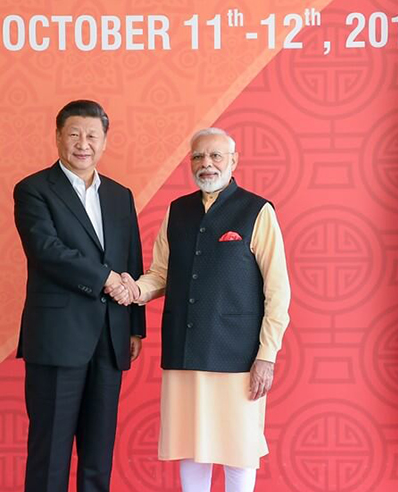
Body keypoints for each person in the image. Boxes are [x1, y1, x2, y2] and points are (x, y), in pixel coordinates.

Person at [112, 128, 291, 492]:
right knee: (190, 446)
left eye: (215, 156)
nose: (206, 164)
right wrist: (134, 290)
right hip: (184, 349)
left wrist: (267, 356)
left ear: (233, 161)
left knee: (239, 449)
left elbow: (278, 291)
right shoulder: (177, 211)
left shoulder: (257, 210)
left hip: (238, 356)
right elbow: (161, 274)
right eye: (198, 156)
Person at [13, 99, 146, 492]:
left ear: (105, 141)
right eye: (74, 134)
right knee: (50, 455)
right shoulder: (34, 190)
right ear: (58, 137)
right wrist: (106, 279)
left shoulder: (120, 195)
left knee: (98, 456)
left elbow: (132, 258)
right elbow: (47, 251)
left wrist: (134, 326)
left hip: (110, 337)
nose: (83, 144)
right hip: (57, 338)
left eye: (92, 135)